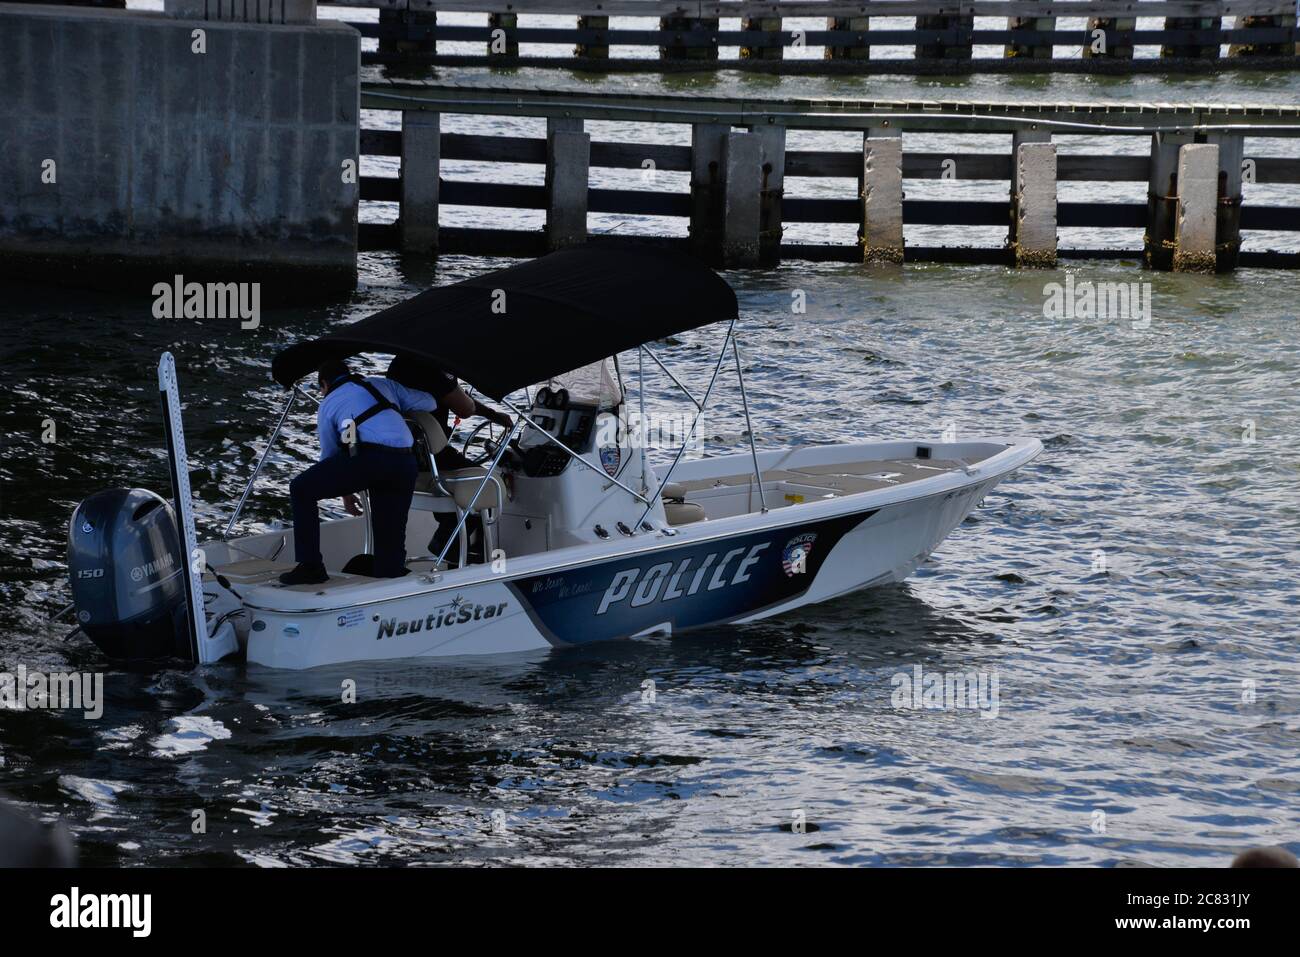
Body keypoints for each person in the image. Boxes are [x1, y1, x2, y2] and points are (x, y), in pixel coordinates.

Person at [278, 359, 437, 585]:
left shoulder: (329, 402)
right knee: (389, 532)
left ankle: (310, 566)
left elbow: (331, 454)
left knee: (301, 488)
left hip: (370, 460)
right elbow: (430, 402)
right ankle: (390, 577)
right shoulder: (383, 385)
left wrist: (346, 493)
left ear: (324, 384)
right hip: (405, 461)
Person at [385, 356, 513, 561]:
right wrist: (492, 414)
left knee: (457, 502)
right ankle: (450, 546)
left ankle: (453, 548)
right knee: (487, 483)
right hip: (432, 457)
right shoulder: (434, 364)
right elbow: (465, 407)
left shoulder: (400, 362)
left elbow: (450, 397)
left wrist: (491, 414)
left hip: (404, 457)